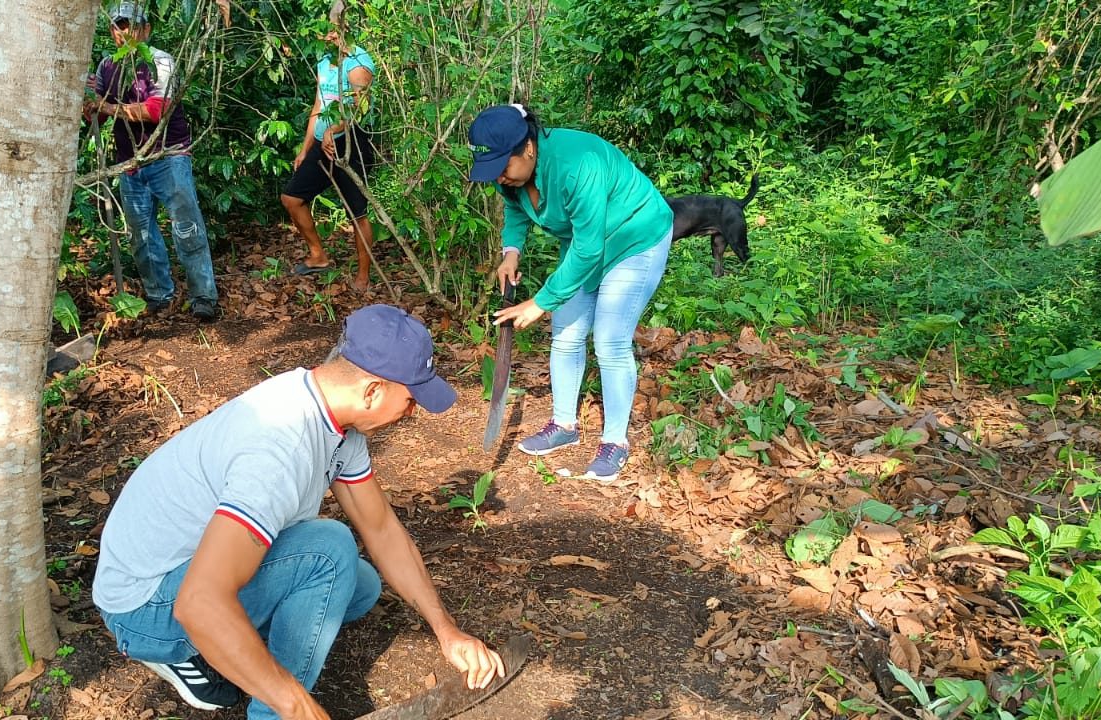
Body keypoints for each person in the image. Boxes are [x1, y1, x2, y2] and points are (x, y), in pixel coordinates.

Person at [92, 304, 506, 720]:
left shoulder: (333, 417)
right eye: (411, 400)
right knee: (329, 552)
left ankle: (232, 649)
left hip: (188, 573)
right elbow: (197, 603)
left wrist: (446, 631)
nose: (411, 412)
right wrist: (300, 708)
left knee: (360, 587)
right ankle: (261, 704)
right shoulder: (279, 448)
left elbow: (381, 529)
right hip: (145, 607)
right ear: (372, 391)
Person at [471, 104, 675, 483]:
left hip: (635, 237)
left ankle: (615, 442)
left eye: (502, 166)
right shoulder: (509, 174)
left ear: (528, 147)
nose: (498, 176)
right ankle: (564, 424)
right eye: (492, 169)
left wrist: (540, 302)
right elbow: (516, 210)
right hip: (585, 243)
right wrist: (511, 252)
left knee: (610, 340)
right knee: (565, 333)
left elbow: (588, 250)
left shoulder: (578, 164)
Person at [86, 2, 218, 321]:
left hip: (168, 155)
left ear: (145, 29)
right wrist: (89, 101)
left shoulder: (160, 61)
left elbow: (156, 109)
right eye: (117, 26)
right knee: (140, 235)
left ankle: (203, 296)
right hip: (130, 163)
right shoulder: (107, 66)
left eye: (130, 26)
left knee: (186, 227)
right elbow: (95, 115)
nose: (123, 33)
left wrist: (105, 106)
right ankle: (159, 295)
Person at [281, 1, 378, 292]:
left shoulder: (358, 64)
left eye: (334, 30)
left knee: (357, 213)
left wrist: (335, 130)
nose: (329, 36)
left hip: (352, 143)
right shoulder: (325, 62)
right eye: (326, 31)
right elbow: (318, 106)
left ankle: (363, 276)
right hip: (322, 145)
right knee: (291, 198)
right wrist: (305, 147)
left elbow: (360, 109)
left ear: (346, 29)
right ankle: (318, 256)